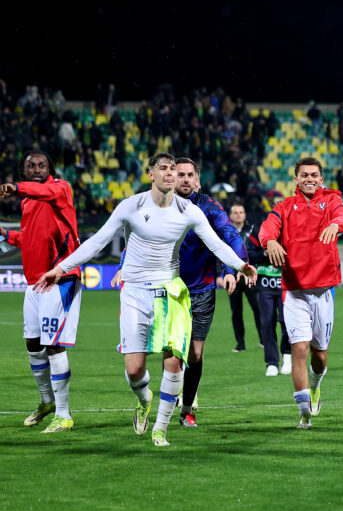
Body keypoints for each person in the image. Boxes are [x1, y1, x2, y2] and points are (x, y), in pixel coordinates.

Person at [35, 152, 256, 447]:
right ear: (151, 174)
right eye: (163, 168)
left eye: (173, 169)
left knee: (175, 363)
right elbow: (98, 241)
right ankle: (144, 398)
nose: (170, 173)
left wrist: (241, 265)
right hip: (135, 293)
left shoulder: (189, 211)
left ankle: (160, 429)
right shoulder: (131, 206)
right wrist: (60, 268)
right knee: (135, 370)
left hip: (172, 292)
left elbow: (217, 243)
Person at [259, 157, 343, 428]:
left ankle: (316, 384)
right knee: (298, 349)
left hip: (324, 293)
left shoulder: (332, 201)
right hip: (295, 292)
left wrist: (336, 224)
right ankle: (304, 414)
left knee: (319, 356)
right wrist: (271, 240)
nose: (309, 179)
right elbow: (268, 227)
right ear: (296, 179)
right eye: (304, 175)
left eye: (314, 175)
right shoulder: (285, 206)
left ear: (321, 179)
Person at [0, 151, 81, 433]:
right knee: (33, 344)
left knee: (53, 344)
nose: (36, 169)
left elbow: (44, 190)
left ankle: (64, 414)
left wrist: (15, 187)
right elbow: (30, 237)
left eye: (41, 165)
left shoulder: (59, 189)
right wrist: (5, 235)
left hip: (60, 277)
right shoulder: (28, 204)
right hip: (34, 282)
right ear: (23, 170)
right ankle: (47, 402)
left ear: (50, 169)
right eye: (30, 166)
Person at [172, 158, 247, 427]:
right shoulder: (159, 206)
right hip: (170, 290)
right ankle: (166, 406)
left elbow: (230, 235)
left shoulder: (209, 207)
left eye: (190, 174)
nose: (185, 179)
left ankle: (187, 408)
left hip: (202, 290)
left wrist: (232, 267)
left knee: (195, 354)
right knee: (172, 353)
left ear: (198, 180)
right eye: (180, 174)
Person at [238, 210, 292, 376]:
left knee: (286, 322)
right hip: (265, 284)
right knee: (267, 323)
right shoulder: (257, 229)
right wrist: (265, 254)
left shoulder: (289, 228)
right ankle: (271, 362)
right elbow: (248, 255)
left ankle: (287, 355)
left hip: (286, 284)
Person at [228, 202, 262, 352]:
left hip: (249, 275)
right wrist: (222, 274)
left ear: (245, 215)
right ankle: (240, 344)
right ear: (230, 216)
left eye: (241, 212)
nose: (238, 215)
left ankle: (263, 339)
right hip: (233, 277)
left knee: (257, 308)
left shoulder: (252, 231)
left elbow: (259, 252)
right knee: (236, 311)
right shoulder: (225, 233)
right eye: (235, 212)